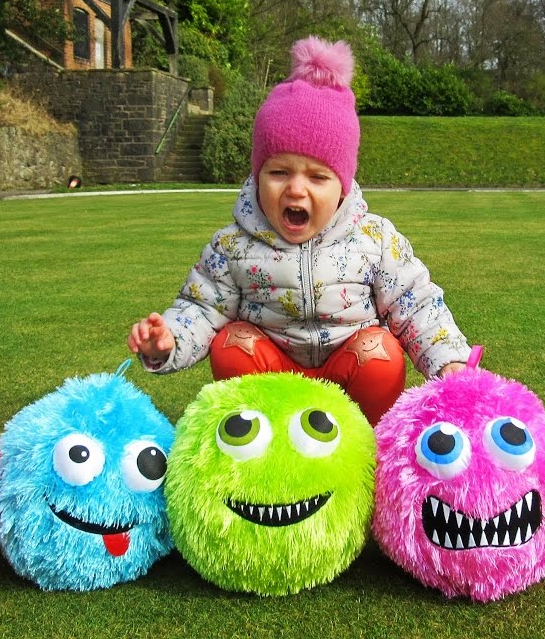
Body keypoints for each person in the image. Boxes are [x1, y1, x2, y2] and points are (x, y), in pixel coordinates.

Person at [127, 36, 470, 424]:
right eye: (278, 172)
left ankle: (369, 447)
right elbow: (201, 307)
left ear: (342, 186)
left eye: (318, 176)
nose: (295, 188)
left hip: (349, 377)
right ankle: (260, 446)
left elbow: (416, 302)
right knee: (230, 345)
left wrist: (449, 362)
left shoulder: (373, 240)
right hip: (274, 379)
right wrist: (165, 341)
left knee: (382, 354)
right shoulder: (232, 246)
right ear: (257, 177)